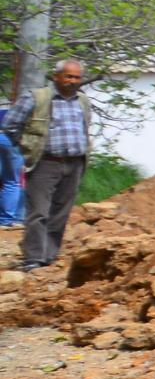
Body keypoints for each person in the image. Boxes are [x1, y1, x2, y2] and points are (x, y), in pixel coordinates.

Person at [13, 57, 94, 272]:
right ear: (56, 76)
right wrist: (26, 149)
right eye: (68, 76)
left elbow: (85, 127)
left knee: (60, 212)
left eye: (77, 77)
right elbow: (12, 125)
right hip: (45, 162)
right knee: (38, 212)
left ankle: (48, 256)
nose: (73, 81)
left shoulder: (83, 101)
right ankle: (33, 258)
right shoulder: (36, 98)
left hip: (74, 163)